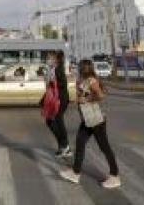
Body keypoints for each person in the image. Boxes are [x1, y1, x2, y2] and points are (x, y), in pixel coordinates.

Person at [61, 59, 121, 189]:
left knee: (105, 147)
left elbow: (100, 96)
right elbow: (82, 94)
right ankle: (75, 173)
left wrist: (86, 99)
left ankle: (115, 176)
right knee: (80, 143)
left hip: (96, 120)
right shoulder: (82, 80)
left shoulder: (92, 81)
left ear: (83, 68)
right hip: (87, 120)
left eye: (79, 67)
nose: (77, 69)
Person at [45, 52, 71, 158]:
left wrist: (52, 82)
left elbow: (63, 83)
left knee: (58, 120)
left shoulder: (58, 69)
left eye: (49, 58)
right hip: (54, 98)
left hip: (61, 99)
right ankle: (62, 145)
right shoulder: (51, 70)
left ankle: (65, 146)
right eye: (47, 58)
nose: (47, 60)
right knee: (49, 121)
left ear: (55, 59)